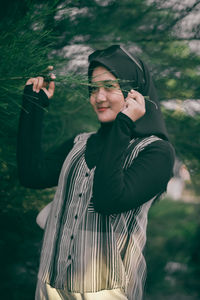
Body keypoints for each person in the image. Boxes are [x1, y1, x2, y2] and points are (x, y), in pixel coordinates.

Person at [17, 45, 175, 300]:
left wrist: (124, 124)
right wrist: (34, 106)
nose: (98, 97)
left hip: (106, 292)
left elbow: (108, 199)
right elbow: (32, 175)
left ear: (135, 92)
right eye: (93, 89)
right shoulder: (79, 144)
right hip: (51, 287)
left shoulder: (157, 153)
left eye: (110, 87)